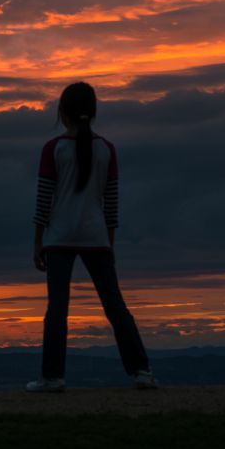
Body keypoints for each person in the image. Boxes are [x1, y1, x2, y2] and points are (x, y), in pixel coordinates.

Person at [25, 81, 158, 392]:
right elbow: (111, 202)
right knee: (115, 306)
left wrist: (37, 241)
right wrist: (108, 241)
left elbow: (43, 199)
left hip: (59, 236)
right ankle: (142, 371)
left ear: (63, 112)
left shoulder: (53, 149)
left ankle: (53, 377)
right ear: (93, 112)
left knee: (57, 310)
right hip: (96, 236)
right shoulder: (106, 149)